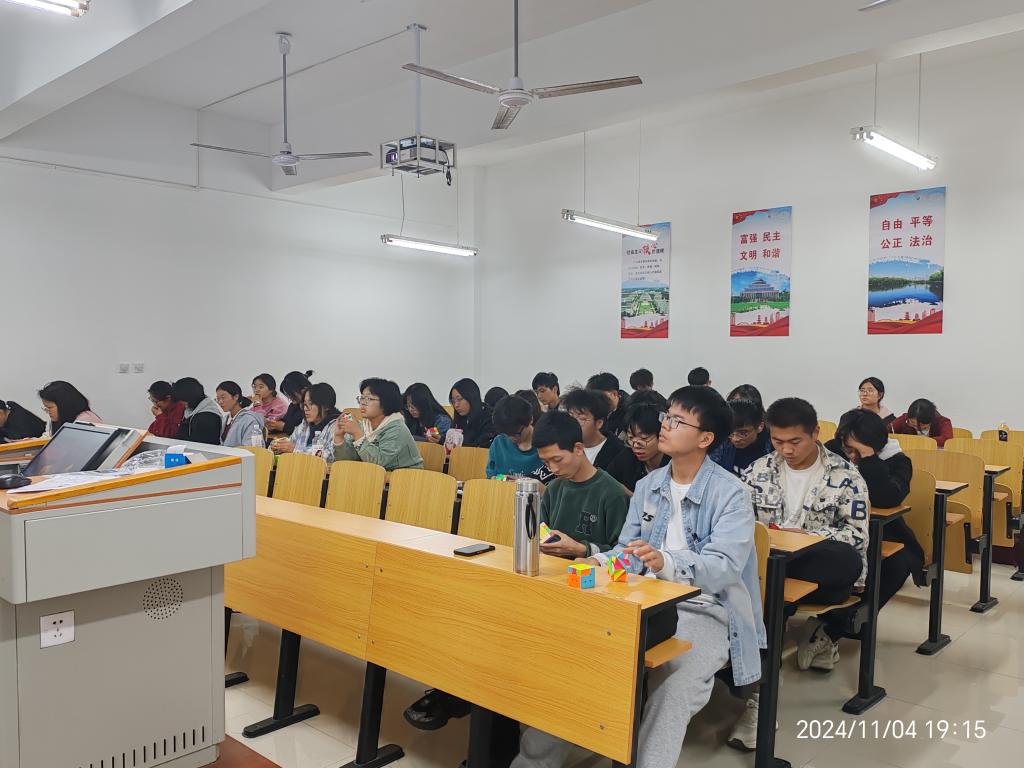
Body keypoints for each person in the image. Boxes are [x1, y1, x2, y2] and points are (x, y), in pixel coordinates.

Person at [514, 387, 763, 768]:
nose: (665, 425)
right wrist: (597, 561)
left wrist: (665, 561)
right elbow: (628, 553)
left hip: (705, 607)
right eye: (667, 416)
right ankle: (532, 762)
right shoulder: (649, 486)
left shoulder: (731, 494)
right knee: (575, 663)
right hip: (640, 597)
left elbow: (723, 568)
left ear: (705, 438)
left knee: (673, 689)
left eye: (678, 420)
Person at [730, 397, 868, 751]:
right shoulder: (758, 470)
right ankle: (758, 697)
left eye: (795, 441)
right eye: (778, 442)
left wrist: (808, 537)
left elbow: (856, 538)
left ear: (815, 433)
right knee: (768, 591)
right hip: (768, 567)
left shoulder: (845, 476)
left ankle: (757, 695)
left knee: (843, 560)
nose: (787, 450)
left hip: (818, 570)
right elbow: (738, 523)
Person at [819, 408, 923, 655]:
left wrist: (868, 458)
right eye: (849, 449)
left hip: (884, 530)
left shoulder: (898, 461)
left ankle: (842, 623)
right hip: (833, 524)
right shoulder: (832, 450)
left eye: (859, 450)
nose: (852, 457)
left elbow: (888, 497)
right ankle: (831, 620)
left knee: (898, 562)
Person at [533, 411, 629, 559]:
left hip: (592, 572)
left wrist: (582, 550)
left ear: (578, 448)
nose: (553, 469)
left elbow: (624, 557)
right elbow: (541, 534)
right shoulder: (553, 489)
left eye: (557, 459)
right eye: (546, 462)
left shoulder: (612, 494)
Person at [334, 379, 423, 470]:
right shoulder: (362, 426)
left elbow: (379, 462)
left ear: (386, 403)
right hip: (376, 475)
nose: (363, 402)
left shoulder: (397, 429)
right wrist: (339, 437)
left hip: (408, 476)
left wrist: (357, 434)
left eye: (370, 399)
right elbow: (347, 460)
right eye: (362, 398)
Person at [605, 404, 670, 493]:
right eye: (631, 437)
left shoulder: (674, 464)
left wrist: (631, 496)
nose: (635, 445)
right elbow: (606, 482)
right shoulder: (626, 457)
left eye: (644, 438)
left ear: (661, 435)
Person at [560, 388, 625, 472]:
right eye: (571, 416)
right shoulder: (564, 446)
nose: (574, 423)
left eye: (582, 419)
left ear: (599, 423)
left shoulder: (618, 453)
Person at [272, 382, 340, 461]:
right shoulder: (305, 424)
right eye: (304, 404)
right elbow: (291, 442)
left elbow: (330, 456)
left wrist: (295, 450)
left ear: (326, 406)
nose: (305, 408)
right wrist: (279, 447)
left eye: (310, 404)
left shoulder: (336, 426)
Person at [486, 395, 543, 479]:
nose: (511, 438)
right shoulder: (499, 443)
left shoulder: (545, 443)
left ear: (530, 419)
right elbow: (491, 476)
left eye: (517, 433)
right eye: (507, 434)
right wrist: (499, 479)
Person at [711, 399, 773, 475]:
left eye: (742, 433)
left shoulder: (772, 447)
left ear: (760, 426)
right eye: (730, 432)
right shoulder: (721, 444)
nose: (735, 439)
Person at [172, 378, 224, 445]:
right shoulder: (191, 411)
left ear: (190, 398)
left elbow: (200, 445)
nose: (181, 403)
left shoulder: (207, 418)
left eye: (182, 400)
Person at [216, 381, 265, 448]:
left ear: (236, 397)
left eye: (223, 398)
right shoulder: (225, 419)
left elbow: (251, 448)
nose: (220, 402)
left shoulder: (250, 420)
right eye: (218, 399)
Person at [449, 379, 496, 448]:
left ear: (471, 397)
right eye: (453, 401)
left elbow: (480, 446)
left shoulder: (490, 418)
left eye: (459, 399)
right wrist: (442, 441)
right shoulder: (460, 418)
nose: (456, 405)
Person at [267, 370, 313, 436]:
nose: (290, 398)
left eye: (291, 394)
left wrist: (284, 427)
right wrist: (273, 425)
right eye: (287, 395)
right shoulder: (293, 406)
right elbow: (285, 421)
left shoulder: (315, 407)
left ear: (304, 389)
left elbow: (309, 431)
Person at [585, 372, 627, 440]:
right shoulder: (598, 411)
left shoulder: (631, 412)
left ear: (614, 394)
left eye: (600, 398)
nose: (597, 403)